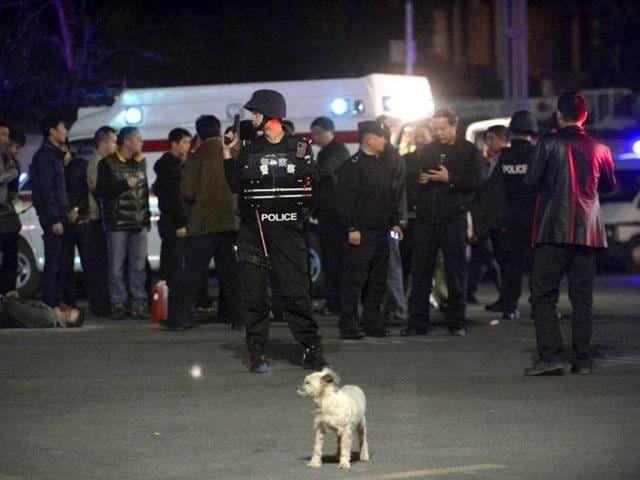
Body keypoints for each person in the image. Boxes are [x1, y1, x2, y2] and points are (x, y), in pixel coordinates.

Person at [224, 89, 326, 373]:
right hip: (253, 232)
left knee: (295, 293)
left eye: (256, 112)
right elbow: (235, 184)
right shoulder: (249, 148)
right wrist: (227, 153)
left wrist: (299, 211)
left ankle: (312, 347)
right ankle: (256, 351)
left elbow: (312, 187)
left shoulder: (300, 147)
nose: (252, 117)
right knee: (254, 296)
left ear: (271, 114)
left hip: (287, 231)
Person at [523, 92, 615, 376]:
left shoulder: (548, 143)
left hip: (552, 228)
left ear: (558, 116)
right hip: (587, 231)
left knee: (543, 295)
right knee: (582, 297)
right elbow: (609, 186)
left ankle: (550, 356)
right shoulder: (600, 147)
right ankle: (582, 359)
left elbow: (531, 182)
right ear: (584, 116)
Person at [401, 109, 483, 337]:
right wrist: (421, 181)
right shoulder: (427, 151)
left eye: (443, 128)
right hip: (427, 218)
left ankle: (457, 321)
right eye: (436, 129)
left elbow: (477, 181)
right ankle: (417, 322)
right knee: (421, 272)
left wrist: (451, 180)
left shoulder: (468, 152)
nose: (439, 133)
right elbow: (414, 182)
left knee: (455, 271)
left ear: (454, 126)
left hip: (453, 219)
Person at [163, 116, 241, 331]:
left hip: (203, 224)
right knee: (233, 274)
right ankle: (239, 317)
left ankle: (180, 318)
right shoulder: (233, 152)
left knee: (193, 273)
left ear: (199, 134)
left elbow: (187, 191)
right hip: (231, 222)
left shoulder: (196, 158)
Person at [336, 121, 403, 339]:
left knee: (377, 279)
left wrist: (394, 222)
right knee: (355, 280)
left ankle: (371, 322)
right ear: (369, 139)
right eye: (381, 136)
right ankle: (348, 324)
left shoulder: (380, 164)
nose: (384, 141)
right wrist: (352, 227)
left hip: (381, 230)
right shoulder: (353, 166)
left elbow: (388, 196)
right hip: (361, 231)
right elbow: (346, 200)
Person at [95, 127, 151, 320]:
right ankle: (118, 303)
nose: (141, 143)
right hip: (117, 223)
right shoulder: (107, 163)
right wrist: (124, 185)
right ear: (127, 141)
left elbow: (143, 193)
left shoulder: (141, 162)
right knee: (116, 267)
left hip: (139, 222)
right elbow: (101, 192)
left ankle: (139, 303)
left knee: (138, 266)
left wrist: (146, 218)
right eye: (138, 139)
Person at [495, 111, 539, 320]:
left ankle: (509, 306)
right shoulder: (538, 153)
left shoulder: (504, 155)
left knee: (513, 264)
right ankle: (539, 306)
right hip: (535, 217)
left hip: (511, 218)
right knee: (538, 265)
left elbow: (497, 188)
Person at [310, 116, 351, 316]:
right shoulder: (326, 152)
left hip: (336, 215)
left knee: (337, 262)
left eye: (318, 133)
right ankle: (333, 301)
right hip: (327, 214)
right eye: (313, 133)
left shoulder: (337, 151)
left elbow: (324, 173)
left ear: (330, 131)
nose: (315, 137)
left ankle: (339, 303)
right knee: (330, 261)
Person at [30, 114, 70, 307]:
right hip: (53, 218)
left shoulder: (54, 155)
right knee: (53, 263)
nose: (65, 131)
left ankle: (55, 303)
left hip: (60, 216)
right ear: (52, 131)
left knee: (60, 263)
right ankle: (49, 304)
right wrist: (54, 218)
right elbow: (46, 190)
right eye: (62, 127)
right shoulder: (45, 157)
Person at [467, 125, 508, 305]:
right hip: (482, 217)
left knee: (489, 256)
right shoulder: (486, 162)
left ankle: (504, 295)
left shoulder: (505, 162)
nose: (489, 143)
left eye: (492, 139)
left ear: (502, 139)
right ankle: (470, 290)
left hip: (495, 218)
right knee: (481, 255)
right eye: (488, 139)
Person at [153, 128, 191, 283]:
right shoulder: (170, 167)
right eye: (184, 142)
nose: (188, 146)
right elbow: (173, 197)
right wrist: (181, 222)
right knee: (173, 262)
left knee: (172, 260)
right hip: (174, 222)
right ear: (174, 144)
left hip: (171, 220)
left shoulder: (172, 165)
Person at [85, 126, 117, 316]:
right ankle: (100, 306)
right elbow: (100, 192)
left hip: (103, 218)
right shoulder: (96, 163)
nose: (115, 144)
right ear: (103, 143)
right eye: (112, 141)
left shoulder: (105, 162)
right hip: (97, 219)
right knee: (99, 265)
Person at [60, 145, 91, 307]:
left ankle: (94, 300)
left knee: (88, 263)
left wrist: (78, 209)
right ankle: (70, 302)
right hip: (64, 222)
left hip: (81, 220)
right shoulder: (56, 167)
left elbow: (89, 192)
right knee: (66, 265)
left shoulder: (80, 165)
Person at [0, 129, 23, 294]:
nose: (14, 150)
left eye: (18, 147)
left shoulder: (14, 163)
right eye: (12, 145)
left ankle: (9, 295)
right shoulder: (9, 165)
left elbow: (14, 192)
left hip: (9, 217)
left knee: (10, 259)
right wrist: (12, 173)